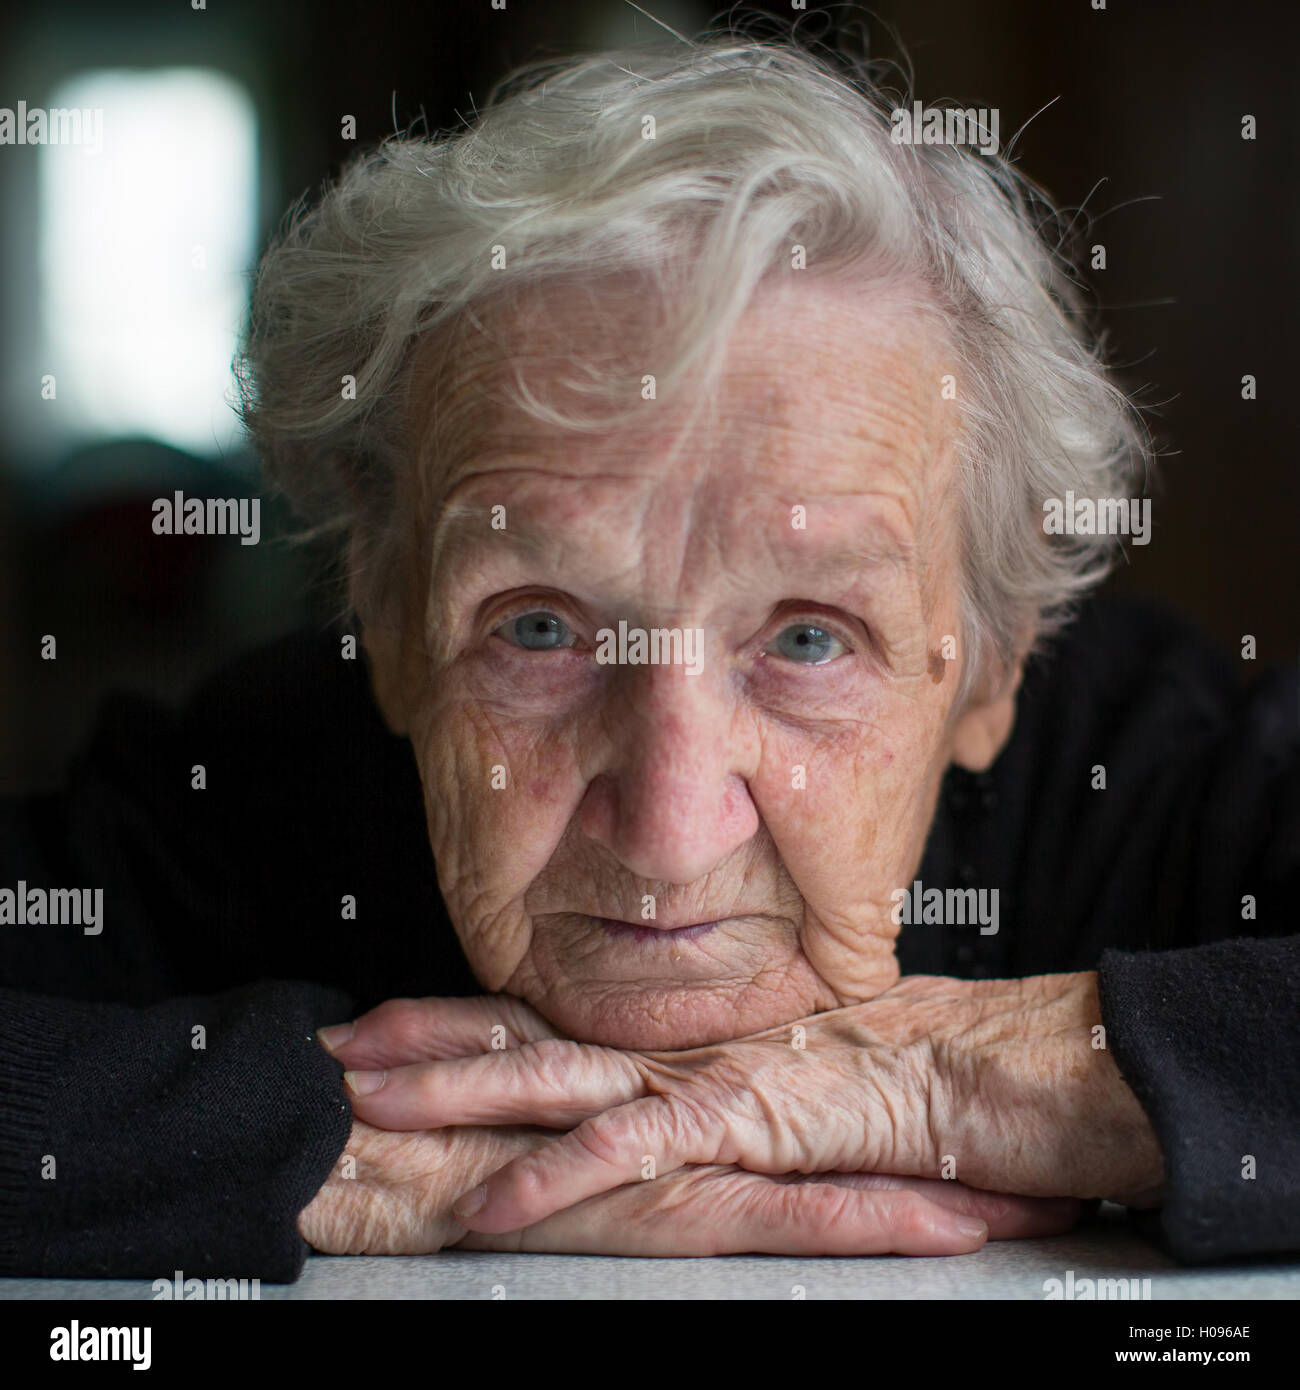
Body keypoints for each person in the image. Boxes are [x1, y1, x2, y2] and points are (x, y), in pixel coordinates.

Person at [2, 36, 1296, 1282]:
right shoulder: (258, 792)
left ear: (994, 664)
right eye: (541, 627)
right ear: (389, 624)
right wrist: (344, 1137)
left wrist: (967, 1071)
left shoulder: (1148, 772)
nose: (671, 830)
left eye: (806, 639)